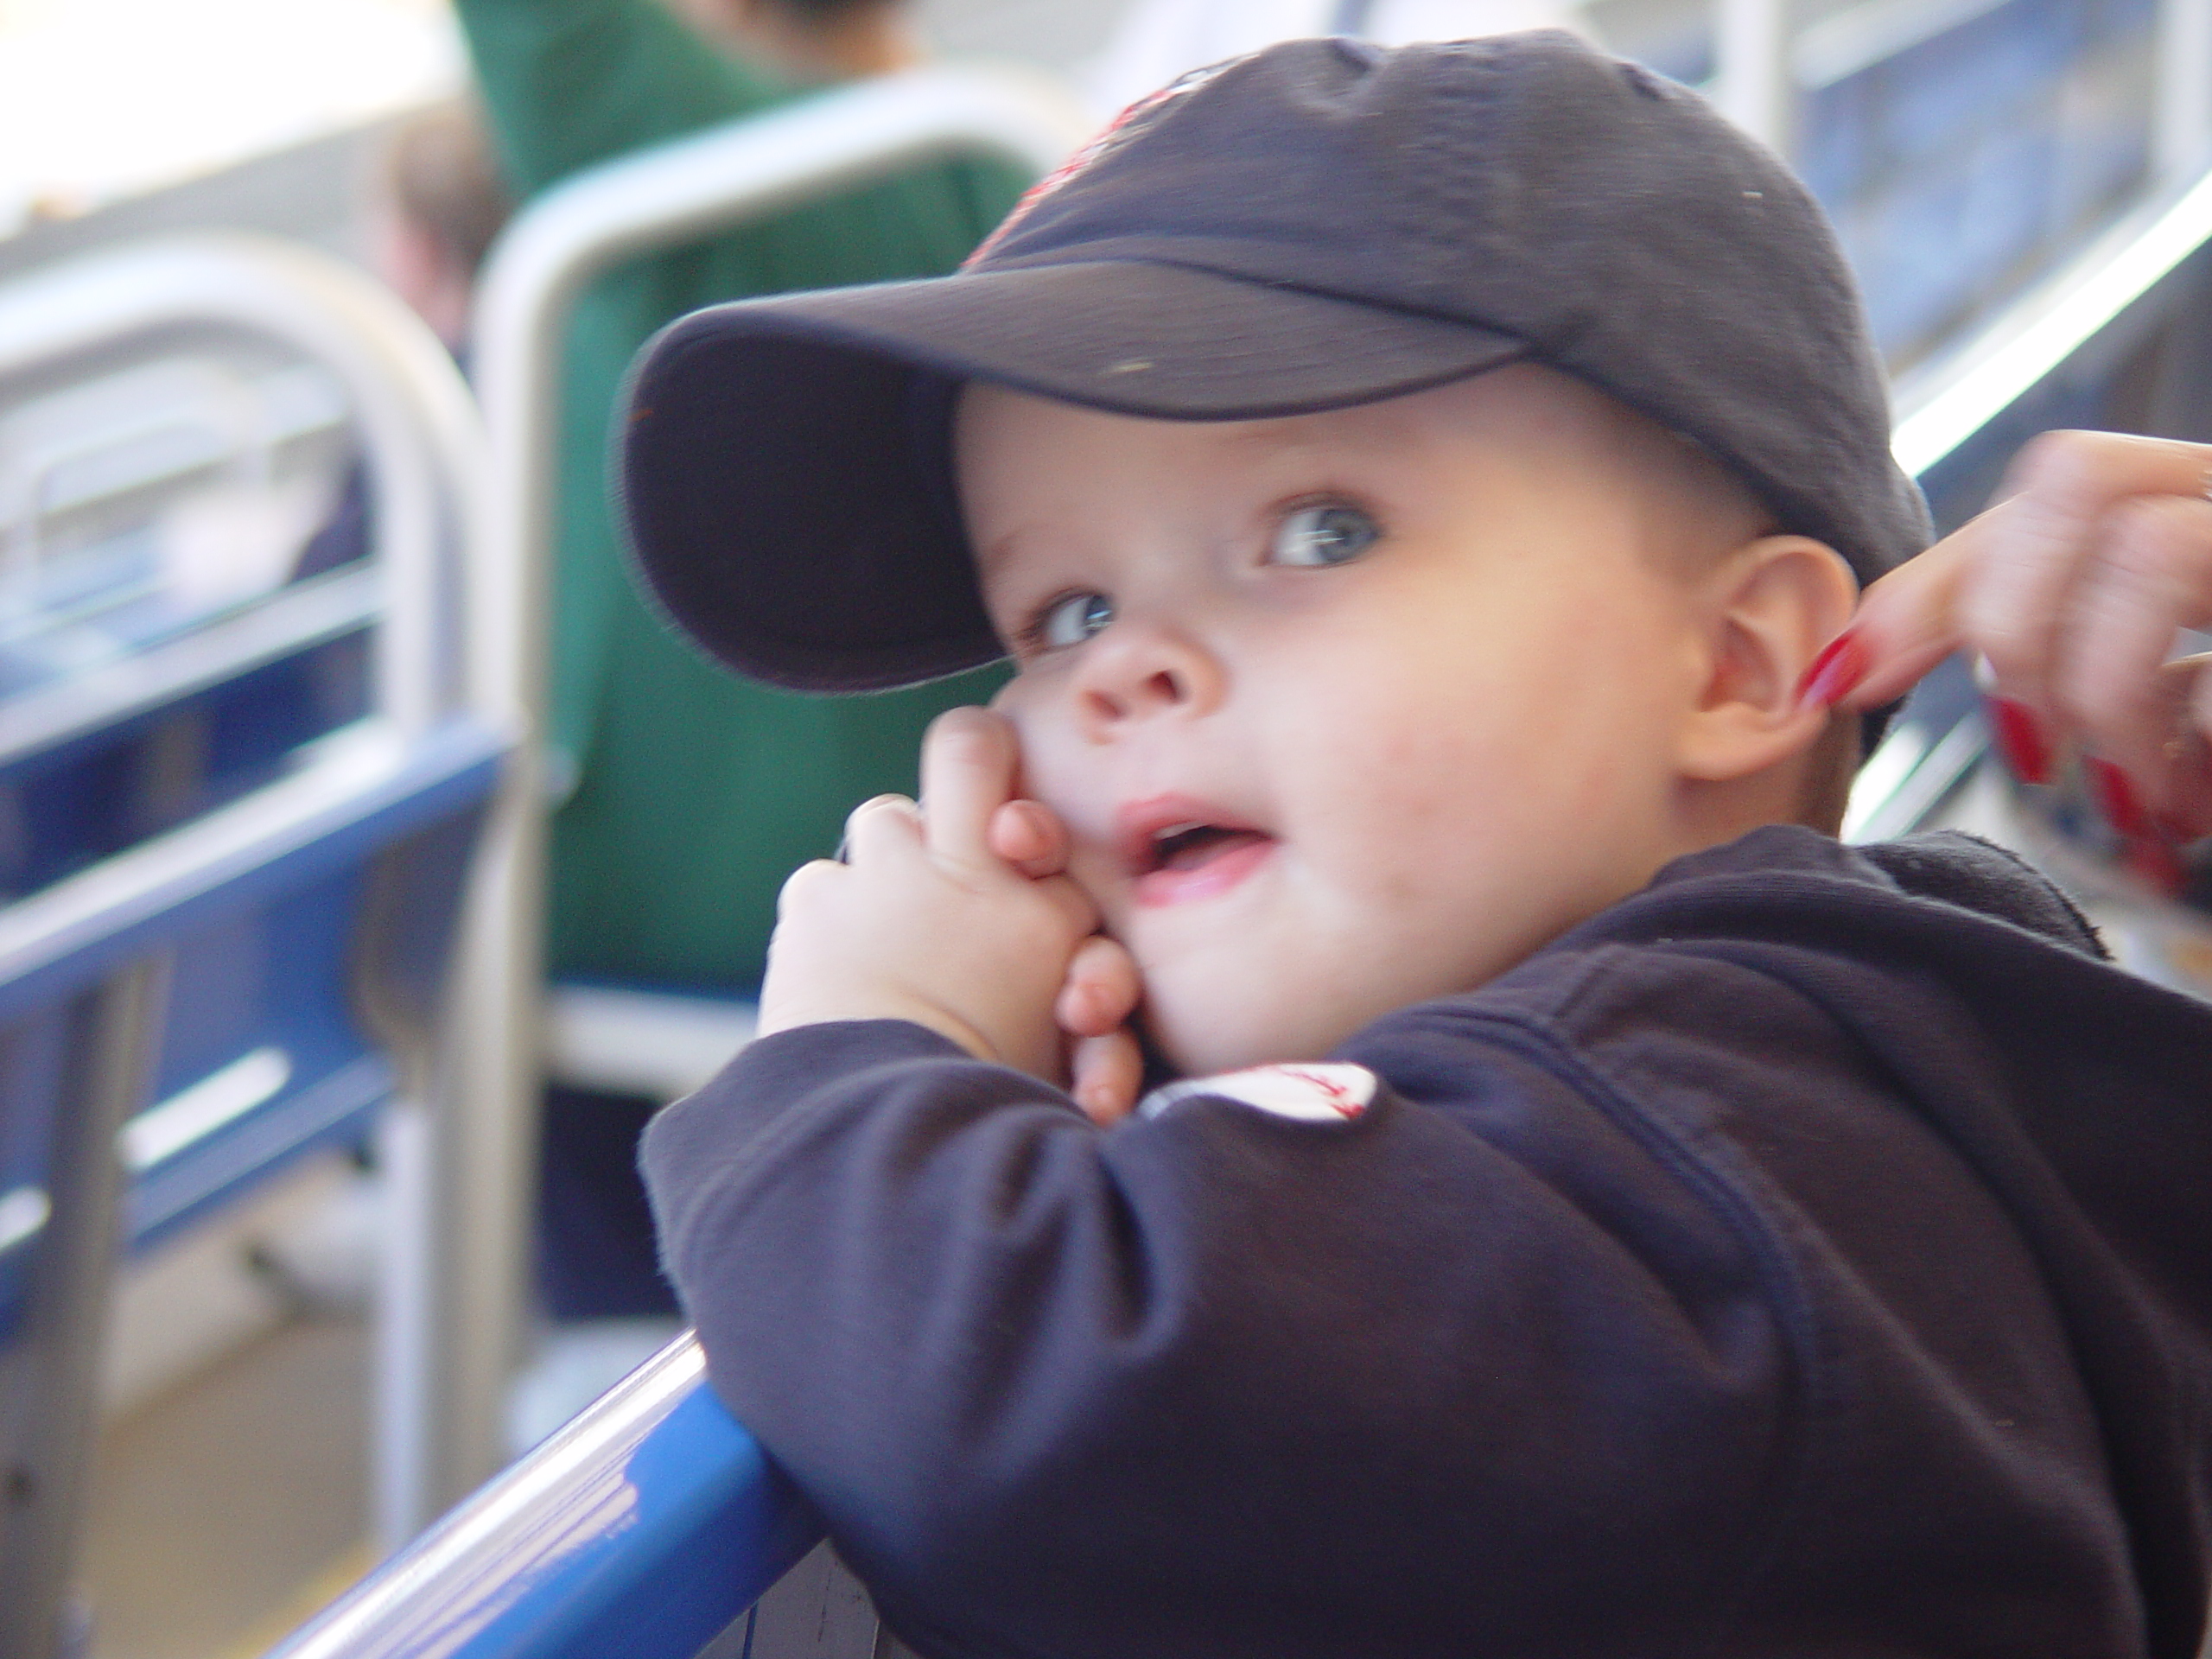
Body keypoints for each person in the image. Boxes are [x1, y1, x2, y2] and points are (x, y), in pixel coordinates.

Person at [625, 35, 2212, 1656]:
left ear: (1737, 664)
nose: (1124, 667)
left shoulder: (1704, 1150)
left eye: (1320, 530)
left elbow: (1038, 1414)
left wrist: (873, 1058)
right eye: (1064, 609)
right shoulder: (1846, 1075)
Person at [454, 0, 1030, 1320]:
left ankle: (593, 1336)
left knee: (458, 887)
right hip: (957, 842)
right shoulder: (995, 163)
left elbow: (558, 41)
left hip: (698, 890)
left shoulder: (700, 155)